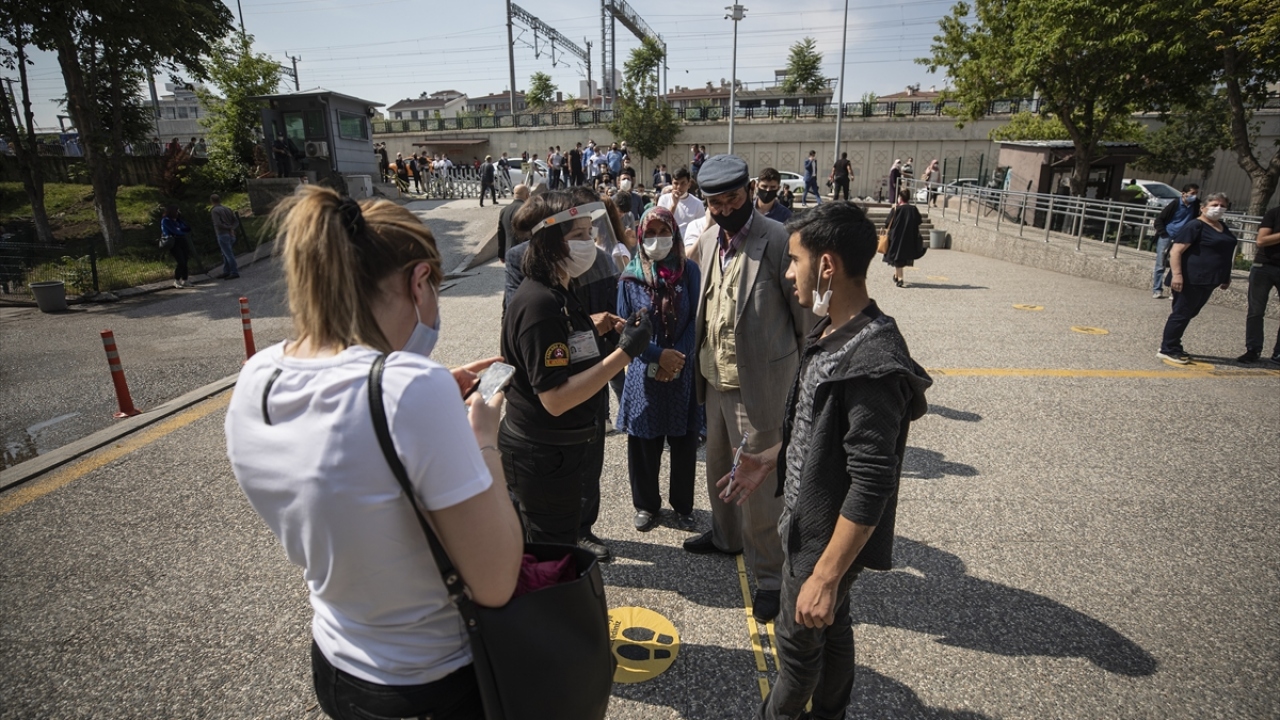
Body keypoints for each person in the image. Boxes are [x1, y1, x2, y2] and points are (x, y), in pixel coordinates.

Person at [225, 184, 523, 720]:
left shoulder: (257, 377)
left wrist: (422, 397)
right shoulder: (412, 388)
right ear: (419, 281)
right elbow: (497, 582)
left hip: (337, 663)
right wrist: (482, 438)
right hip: (431, 682)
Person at [718, 201, 931, 720]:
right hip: (810, 528)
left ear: (828, 266)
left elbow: (870, 483)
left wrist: (826, 577)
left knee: (796, 654)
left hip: (820, 542)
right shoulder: (833, 329)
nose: (788, 273)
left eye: (794, 260)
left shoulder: (872, 362)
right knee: (832, 631)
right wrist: (771, 457)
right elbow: (817, 435)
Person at [685, 154, 810, 624]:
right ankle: (724, 537)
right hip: (714, 380)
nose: (722, 210)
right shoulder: (709, 238)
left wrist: (798, 392)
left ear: (751, 191)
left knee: (759, 489)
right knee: (718, 468)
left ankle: (770, 575)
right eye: (713, 203)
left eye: (731, 200)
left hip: (760, 390)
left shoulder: (778, 241)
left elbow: (805, 324)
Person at [499, 191, 652, 553]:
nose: (591, 243)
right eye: (579, 236)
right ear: (551, 243)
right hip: (542, 453)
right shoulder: (540, 304)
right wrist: (626, 352)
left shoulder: (563, 289)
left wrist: (600, 330)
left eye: (590, 233)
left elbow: (567, 346)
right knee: (550, 551)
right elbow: (554, 398)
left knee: (562, 538)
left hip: (563, 447)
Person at [617, 206, 702, 533]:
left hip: (684, 369)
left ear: (675, 233)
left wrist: (676, 358)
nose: (656, 240)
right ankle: (646, 505)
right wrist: (656, 355)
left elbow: (697, 319)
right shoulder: (629, 277)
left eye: (662, 232)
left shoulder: (689, 271)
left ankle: (683, 506)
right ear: (640, 236)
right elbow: (626, 327)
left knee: (683, 441)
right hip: (643, 372)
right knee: (643, 444)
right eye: (649, 234)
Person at [1158, 193, 1239, 365]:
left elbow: (1224, 253)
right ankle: (1168, 348)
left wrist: (1225, 276)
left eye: (1223, 205)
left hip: (1209, 279)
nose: (1219, 208)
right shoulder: (1195, 226)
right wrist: (1178, 275)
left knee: (1190, 312)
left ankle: (1173, 343)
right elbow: (1176, 251)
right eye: (1215, 204)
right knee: (1181, 313)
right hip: (1191, 278)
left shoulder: (1222, 226)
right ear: (1203, 208)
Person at [1238, 204, 1280, 364]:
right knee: (1256, 311)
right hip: (1265, 267)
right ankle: (1253, 350)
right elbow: (1261, 240)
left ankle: (1278, 354)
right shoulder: (1274, 213)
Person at [1152, 184, 1200, 299]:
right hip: (1167, 235)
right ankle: (1157, 289)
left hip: (1182, 237)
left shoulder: (1196, 205)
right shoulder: (1175, 204)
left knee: (1178, 264)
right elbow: (1159, 220)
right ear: (1184, 193)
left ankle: (1174, 291)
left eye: (1196, 193)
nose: (1194, 196)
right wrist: (1163, 233)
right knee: (1161, 263)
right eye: (1192, 193)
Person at [884, 188, 925, 287]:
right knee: (899, 257)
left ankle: (900, 278)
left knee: (897, 257)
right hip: (908, 237)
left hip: (896, 237)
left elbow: (887, 223)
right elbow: (919, 221)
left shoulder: (896, 209)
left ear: (900, 198)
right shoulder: (913, 209)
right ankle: (896, 275)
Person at [658, 168, 705, 240]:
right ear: (672, 183)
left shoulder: (697, 204)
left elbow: (702, 228)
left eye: (683, 183)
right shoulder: (663, 199)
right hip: (668, 242)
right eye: (676, 183)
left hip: (688, 244)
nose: (679, 187)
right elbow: (661, 223)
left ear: (689, 184)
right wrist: (674, 205)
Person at [209, 193, 240, 280]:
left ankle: (234, 271)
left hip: (222, 234)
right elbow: (236, 221)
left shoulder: (215, 211)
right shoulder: (227, 209)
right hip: (231, 234)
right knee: (225, 253)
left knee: (228, 253)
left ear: (211, 201)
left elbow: (218, 223)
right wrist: (232, 228)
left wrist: (228, 228)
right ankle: (226, 270)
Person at [161, 205, 193, 289]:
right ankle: (177, 280)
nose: (178, 213)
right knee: (181, 261)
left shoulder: (178, 220)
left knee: (185, 259)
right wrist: (180, 229)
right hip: (174, 242)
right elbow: (175, 231)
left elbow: (187, 228)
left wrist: (180, 229)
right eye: (177, 211)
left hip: (182, 240)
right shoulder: (166, 220)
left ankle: (185, 279)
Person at [498, 184, 529, 261]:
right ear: (527, 195)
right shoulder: (527, 209)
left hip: (509, 252)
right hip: (524, 253)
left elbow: (501, 234)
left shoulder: (504, 210)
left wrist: (501, 254)